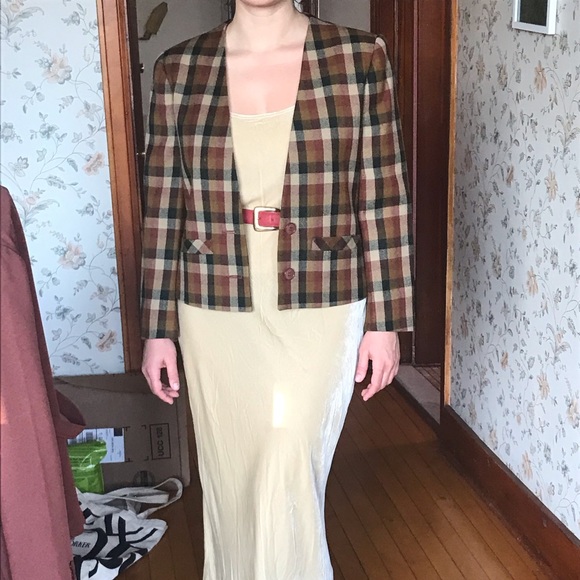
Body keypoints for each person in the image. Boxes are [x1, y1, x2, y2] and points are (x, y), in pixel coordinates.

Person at [140, 0, 413, 578]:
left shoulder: (359, 57)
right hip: (214, 303)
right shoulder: (178, 69)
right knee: (232, 472)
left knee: (290, 457)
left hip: (322, 298)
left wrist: (386, 321)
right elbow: (164, 207)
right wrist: (157, 329)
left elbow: (382, 192)